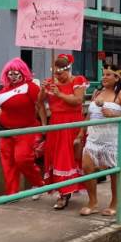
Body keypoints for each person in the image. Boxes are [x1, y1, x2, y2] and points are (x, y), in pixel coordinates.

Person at [78, 66, 121, 216]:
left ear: (117, 78)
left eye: (108, 75)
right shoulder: (97, 92)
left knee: (115, 172)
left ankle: (115, 202)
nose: (104, 77)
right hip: (94, 137)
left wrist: (113, 114)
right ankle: (92, 202)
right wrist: (80, 133)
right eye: (103, 75)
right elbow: (89, 115)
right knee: (87, 167)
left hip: (113, 138)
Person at [0, 58, 45, 196]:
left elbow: (39, 105)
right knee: (7, 163)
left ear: (22, 72)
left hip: (25, 129)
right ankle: (12, 193)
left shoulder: (31, 87)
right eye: (10, 73)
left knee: (23, 159)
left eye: (15, 73)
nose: (12, 76)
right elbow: (4, 107)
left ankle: (38, 183)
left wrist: (44, 125)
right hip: (4, 129)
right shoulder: (6, 88)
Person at [38, 54, 88, 210]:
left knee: (66, 158)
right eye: (56, 74)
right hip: (55, 124)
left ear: (68, 70)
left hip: (72, 123)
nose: (58, 77)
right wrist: (42, 90)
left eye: (61, 74)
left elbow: (78, 101)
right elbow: (39, 102)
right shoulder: (52, 83)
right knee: (54, 157)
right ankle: (63, 191)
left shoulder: (77, 80)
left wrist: (59, 94)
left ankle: (64, 193)